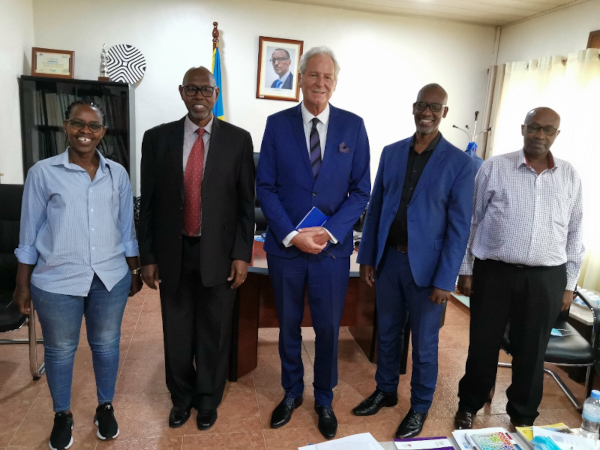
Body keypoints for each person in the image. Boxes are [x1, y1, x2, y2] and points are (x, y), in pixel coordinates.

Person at [256, 46, 370, 440]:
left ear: (334, 83)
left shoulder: (353, 126)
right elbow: (265, 187)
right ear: (300, 79)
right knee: (288, 326)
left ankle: (324, 398)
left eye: (327, 77)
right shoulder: (277, 125)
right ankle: (291, 393)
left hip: (331, 252)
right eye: (313, 75)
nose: (320, 83)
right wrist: (291, 234)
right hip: (286, 250)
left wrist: (329, 231)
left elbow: (361, 191)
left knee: (327, 328)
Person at [13, 100, 142, 450]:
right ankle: (62, 414)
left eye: (93, 126)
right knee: (60, 350)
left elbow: (126, 228)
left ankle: (105, 407)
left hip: (109, 276)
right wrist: (22, 283)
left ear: (103, 131)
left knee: (106, 345)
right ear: (66, 126)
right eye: (78, 124)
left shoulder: (117, 173)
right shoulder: (43, 172)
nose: (85, 131)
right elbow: (28, 233)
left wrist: (133, 269)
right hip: (56, 279)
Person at [353, 84, 476, 439]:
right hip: (389, 262)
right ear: (413, 107)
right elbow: (376, 208)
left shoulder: (460, 163)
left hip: (428, 272)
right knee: (387, 333)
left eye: (435, 107)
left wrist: (445, 280)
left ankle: (420, 406)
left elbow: (459, 228)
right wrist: (368, 257)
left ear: (444, 113)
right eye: (422, 104)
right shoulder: (391, 153)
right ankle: (386, 390)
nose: (427, 112)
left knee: (424, 345)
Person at [138, 67, 255, 431]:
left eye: (206, 90)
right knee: (177, 331)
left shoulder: (238, 140)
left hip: (218, 254)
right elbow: (148, 203)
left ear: (216, 94)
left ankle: (207, 399)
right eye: (192, 89)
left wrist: (242, 254)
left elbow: (246, 205)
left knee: (213, 331)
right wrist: (148, 256)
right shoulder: (157, 139)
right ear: (181, 92)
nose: (199, 97)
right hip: (172, 252)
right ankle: (181, 398)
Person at [454, 107, 585, 429]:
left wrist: (569, 285)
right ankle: (469, 403)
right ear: (523, 128)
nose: (540, 135)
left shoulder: (569, 175)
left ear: (556, 134)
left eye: (548, 130)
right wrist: (466, 269)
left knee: (532, 351)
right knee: (483, 344)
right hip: (494, 273)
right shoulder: (495, 167)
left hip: (546, 278)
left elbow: (575, 232)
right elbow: (473, 221)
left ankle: (523, 415)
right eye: (534, 127)